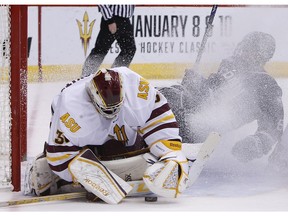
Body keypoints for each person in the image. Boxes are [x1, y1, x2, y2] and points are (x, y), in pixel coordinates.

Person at [25, 67, 189, 203]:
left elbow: (158, 115)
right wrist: (88, 177)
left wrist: (170, 151)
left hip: (123, 129)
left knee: (130, 141)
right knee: (46, 170)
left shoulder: (135, 85)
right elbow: (59, 155)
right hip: (86, 136)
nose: (112, 113)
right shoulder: (70, 108)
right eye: (108, 110)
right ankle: (61, 179)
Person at [160, 31, 284, 163]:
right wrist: (195, 82)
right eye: (244, 47)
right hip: (189, 106)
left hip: (201, 129)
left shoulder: (266, 85)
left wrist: (256, 143)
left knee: (172, 103)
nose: (243, 52)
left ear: (261, 55)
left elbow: (274, 126)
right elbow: (211, 90)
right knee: (161, 95)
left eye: (249, 49)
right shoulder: (230, 64)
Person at [82, 5, 136, 77]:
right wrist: (109, 20)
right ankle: (85, 76)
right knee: (101, 50)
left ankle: (114, 75)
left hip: (125, 20)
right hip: (112, 19)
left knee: (129, 49)